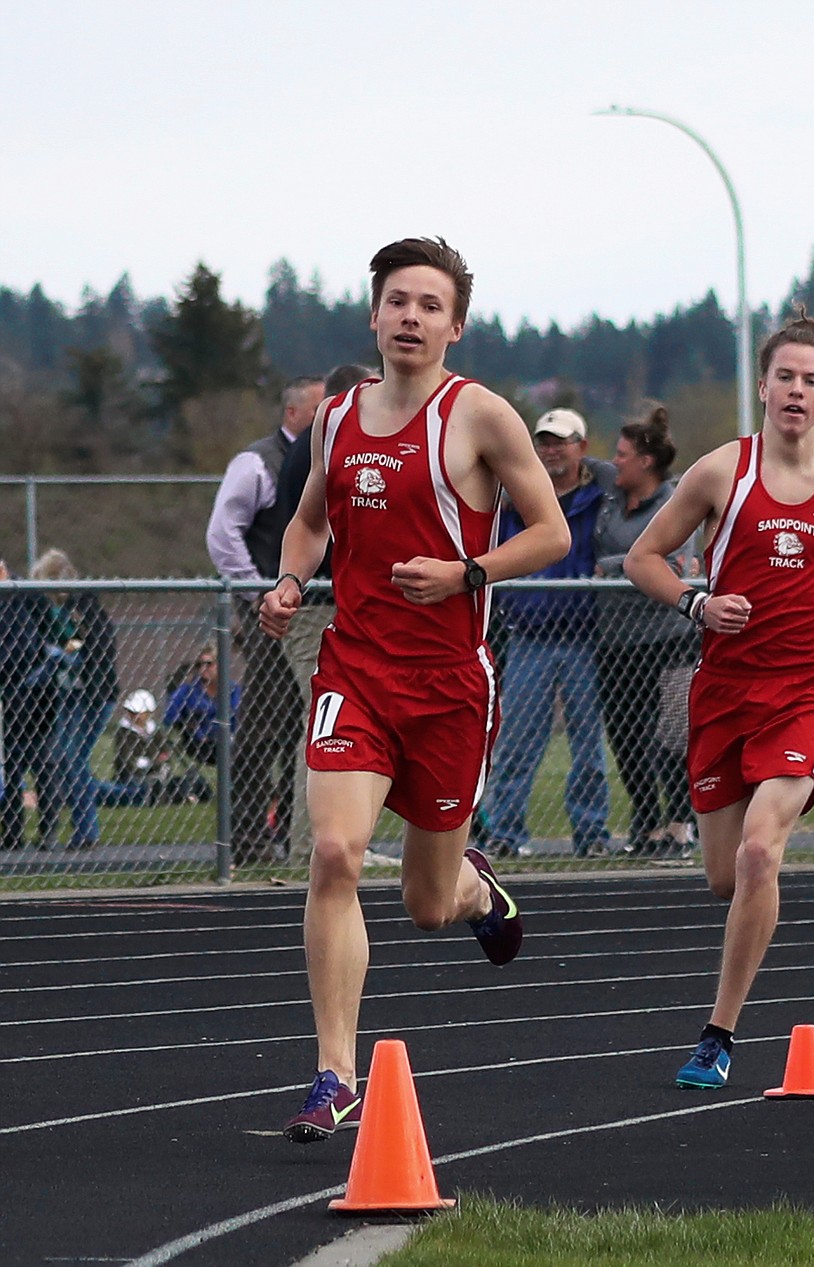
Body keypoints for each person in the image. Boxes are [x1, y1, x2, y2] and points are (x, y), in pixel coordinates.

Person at [258, 236, 570, 1143]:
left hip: (446, 688)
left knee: (427, 906)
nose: (411, 317)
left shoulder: (481, 418)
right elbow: (308, 522)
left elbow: (549, 534)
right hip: (353, 670)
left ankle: (478, 893)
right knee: (335, 853)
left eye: (430, 305)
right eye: (398, 300)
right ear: (373, 313)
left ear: (455, 326)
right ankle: (335, 1074)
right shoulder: (337, 418)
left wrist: (469, 571)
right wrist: (287, 583)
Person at [625, 309, 814, 1089]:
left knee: (764, 850)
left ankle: (717, 1034)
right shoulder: (721, 471)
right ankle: (748, 917)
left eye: (811, 380)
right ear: (763, 386)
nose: (796, 390)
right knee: (727, 877)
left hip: (806, 690)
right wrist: (697, 603)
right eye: (785, 376)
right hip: (724, 690)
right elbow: (643, 557)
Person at [482, 407, 612, 859]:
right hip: (529, 634)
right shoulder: (518, 498)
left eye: (561, 441)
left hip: (585, 638)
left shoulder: (600, 499)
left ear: (582, 447)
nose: (551, 450)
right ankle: (505, 831)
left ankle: (591, 832)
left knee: (588, 747)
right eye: (544, 441)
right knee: (516, 741)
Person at [207, 375, 325, 862]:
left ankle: (284, 837)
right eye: (320, 407)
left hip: (307, 607)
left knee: (297, 725)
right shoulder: (257, 462)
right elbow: (222, 533)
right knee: (263, 723)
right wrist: (262, 591)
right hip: (272, 611)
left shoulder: (329, 454)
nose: (331, 415)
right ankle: (250, 839)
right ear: (294, 412)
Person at [275, 364, 377, 863]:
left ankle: (339, 839)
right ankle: (311, 845)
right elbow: (310, 525)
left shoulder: (323, 445)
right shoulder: (324, 446)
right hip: (319, 607)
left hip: (336, 604)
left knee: (344, 725)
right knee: (326, 725)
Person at [593, 403, 697, 857]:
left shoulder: (674, 502)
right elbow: (575, 464)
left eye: (622, 454)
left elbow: (672, 564)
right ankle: (646, 820)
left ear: (646, 462)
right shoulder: (613, 495)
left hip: (668, 638)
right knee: (624, 734)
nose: (615, 461)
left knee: (672, 735)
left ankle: (679, 823)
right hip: (616, 640)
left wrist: (612, 568)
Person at [30, 548, 119, 851]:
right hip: (69, 693)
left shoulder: (83, 605)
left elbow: (96, 647)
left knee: (74, 757)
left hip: (93, 693)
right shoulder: (55, 612)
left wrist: (71, 657)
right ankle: (83, 828)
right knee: (65, 758)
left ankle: (87, 831)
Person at [0, 558, 57, 850]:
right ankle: (12, 833)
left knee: (41, 762)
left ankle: (48, 831)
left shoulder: (25, 597)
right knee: (11, 765)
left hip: (36, 695)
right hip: (11, 696)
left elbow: (27, 646)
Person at [163, 644, 240, 767]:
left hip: (230, 744)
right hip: (198, 746)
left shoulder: (233, 690)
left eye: (209, 664)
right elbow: (169, 717)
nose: (203, 668)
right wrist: (188, 726)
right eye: (199, 664)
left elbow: (240, 717)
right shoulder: (187, 691)